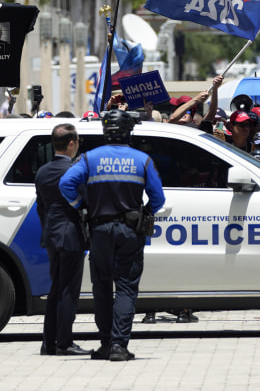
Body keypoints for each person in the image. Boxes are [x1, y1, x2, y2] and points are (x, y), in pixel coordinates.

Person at [59, 110, 165, 362]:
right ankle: (119, 346)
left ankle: (106, 343)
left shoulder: (88, 158)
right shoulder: (143, 159)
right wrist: (146, 211)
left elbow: (65, 184)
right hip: (130, 231)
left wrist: (80, 206)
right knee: (127, 288)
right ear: (128, 131)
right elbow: (158, 197)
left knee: (102, 287)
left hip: (99, 230)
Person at [35, 123, 91, 356]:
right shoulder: (75, 171)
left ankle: (49, 342)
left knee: (56, 289)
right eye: (77, 142)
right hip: (70, 235)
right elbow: (86, 201)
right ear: (71, 143)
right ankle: (64, 342)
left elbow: (41, 208)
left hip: (51, 234)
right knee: (68, 290)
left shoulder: (42, 171)